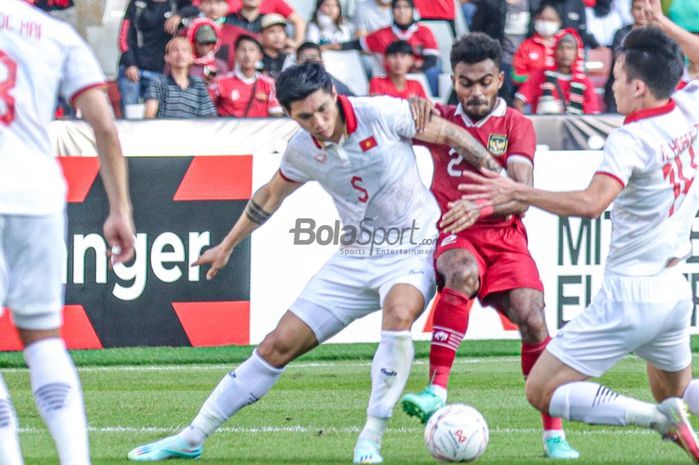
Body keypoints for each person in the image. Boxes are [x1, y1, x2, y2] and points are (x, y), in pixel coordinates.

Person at [126, 61, 500, 464]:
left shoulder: (381, 114)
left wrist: (497, 176)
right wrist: (227, 245)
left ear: (334, 96)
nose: (318, 122)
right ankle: (192, 436)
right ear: (289, 115)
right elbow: (270, 195)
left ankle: (369, 440)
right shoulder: (301, 150)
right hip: (354, 257)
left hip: (414, 248)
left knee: (398, 314)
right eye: (305, 116)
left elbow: (449, 134)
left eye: (323, 109)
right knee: (276, 345)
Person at [459, 12, 699, 462]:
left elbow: (592, 203)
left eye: (618, 76)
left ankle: (657, 420)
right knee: (681, 390)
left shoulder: (631, 138)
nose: (611, 85)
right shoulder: (689, 105)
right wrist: (664, 27)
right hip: (674, 290)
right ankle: (670, 412)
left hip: (631, 295)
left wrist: (518, 191)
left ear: (639, 88)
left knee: (542, 390)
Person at [399, 32, 580, 460]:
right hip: (455, 234)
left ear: (500, 79)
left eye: (484, 82)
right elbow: (385, 122)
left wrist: (477, 205)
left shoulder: (517, 125)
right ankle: (435, 391)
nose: (475, 92)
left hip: (506, 237)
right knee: (460, 272)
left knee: (533, 317)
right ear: (454, 79)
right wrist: (410, 107)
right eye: (465, 83)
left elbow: (522, 190)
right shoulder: (440, 118)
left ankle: (553, 434)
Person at [1, 2, 136, 464]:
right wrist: (120, 209)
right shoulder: (54, 34)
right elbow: (105, 128)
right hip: (37, 196)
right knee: (42, 338)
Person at [328, 0, 440, 95]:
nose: (402, 11)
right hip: (390, 80)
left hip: (418, 76)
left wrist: (415, 67)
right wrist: (324, 47)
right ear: (392, 11)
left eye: (406, 7)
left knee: (434, 70)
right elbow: (354, 44)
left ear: (413, 10)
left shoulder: (424, 31)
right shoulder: (382, 34)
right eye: (397, 7)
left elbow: (432, 58)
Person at [514, 30, 600, 114]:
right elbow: (518, 102)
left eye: (570, 48)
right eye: (561, 48)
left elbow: (593, 115)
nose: (565, 52)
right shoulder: (541, 76)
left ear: (577, 53)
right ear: (554, 51)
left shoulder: (584, 82)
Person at [209, 34, 283, 117]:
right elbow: (208, 111)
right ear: (235, 54)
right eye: (242, 50)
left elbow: (276, 115)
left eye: (252, 50)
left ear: (260, 56)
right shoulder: (220, 82)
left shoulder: (269, 84)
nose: (247, 54)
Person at [144, 37, 217, 118]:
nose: (180, 54)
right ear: (167, 58)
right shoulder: (158, 83)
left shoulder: (198, 84)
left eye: (184, 50)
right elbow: (149, 116)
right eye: (175, 50)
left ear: (191, 58)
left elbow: (210, 116)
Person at [604, 0, 647, 112]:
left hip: (647, 90)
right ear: (631, 11)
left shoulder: (657, 35)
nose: (642, 13)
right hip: (620, 88)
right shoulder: (621, 34)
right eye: (638, 8)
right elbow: (620, 59)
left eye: (645, 9)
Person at [511, 2, 562, 87]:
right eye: (542, 19)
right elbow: (516, 76)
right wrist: (537, 80)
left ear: (559, 22)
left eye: (551, 20)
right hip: (530, 94)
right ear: (536, 19)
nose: (546, 23)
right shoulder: (526, 46)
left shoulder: (564, 46)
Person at [260, 13, 296, 78]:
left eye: (281, 31)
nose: (277, 36)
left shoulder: (291, 57)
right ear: (261, 35)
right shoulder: (256, 59)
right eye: (272, 31)